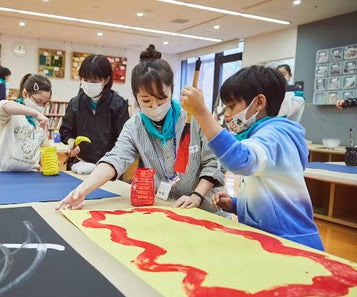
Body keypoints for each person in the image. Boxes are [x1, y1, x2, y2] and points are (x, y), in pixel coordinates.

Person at [56, 45, 224, 211]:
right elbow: (116, 159)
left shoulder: (194, 118)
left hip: (205, 208)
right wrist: (81, 191)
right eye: (146, 100)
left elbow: (214, 162)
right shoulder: (134, 126)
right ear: (135, 97)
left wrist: (196, 196)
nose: (155, 106)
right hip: (167, 207)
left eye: (161, 99)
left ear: (172, 91)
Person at [180, 65, 324, 250]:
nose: (229, 114)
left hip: (292, 243)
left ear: (258, 103)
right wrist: (237, 205)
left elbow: (239, 160)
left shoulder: (275, 135)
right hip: (270, 239)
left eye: (231, 106)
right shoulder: (260, 135)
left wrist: (201, 113)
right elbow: (271, 196)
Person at [60, 54, 129, 174]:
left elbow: (123, 140)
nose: (88, 84)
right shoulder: (75, 103)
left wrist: (110, 165)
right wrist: (71, 142)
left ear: (106, 80)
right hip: (80, 165)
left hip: (109, 168)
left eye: (94, 81)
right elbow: (65, 131)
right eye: (85, 80)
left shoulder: (118, 105)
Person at [0, 74, 51, 172]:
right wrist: (36, 113)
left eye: (45, 104)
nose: (41, 107)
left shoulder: (40, 121)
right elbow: (3, 105)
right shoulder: (11, 113)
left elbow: (44, 147)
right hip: (0, 173)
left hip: (29, 176)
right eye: (38, 101)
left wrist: (49, 160)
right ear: (25, 94)